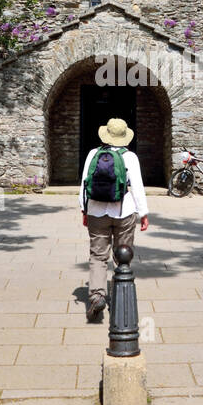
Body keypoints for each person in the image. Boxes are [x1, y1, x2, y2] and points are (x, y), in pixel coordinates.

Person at [80, 117, 148, 322]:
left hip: (96, 212)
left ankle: (97, 295)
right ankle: (120, 296)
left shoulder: (93, 154)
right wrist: (143, 213)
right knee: (122, 255)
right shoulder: (130, 157)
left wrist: (84, 210)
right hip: (124, 212)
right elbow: (137, 187)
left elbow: (84, 184)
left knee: (98, 256)